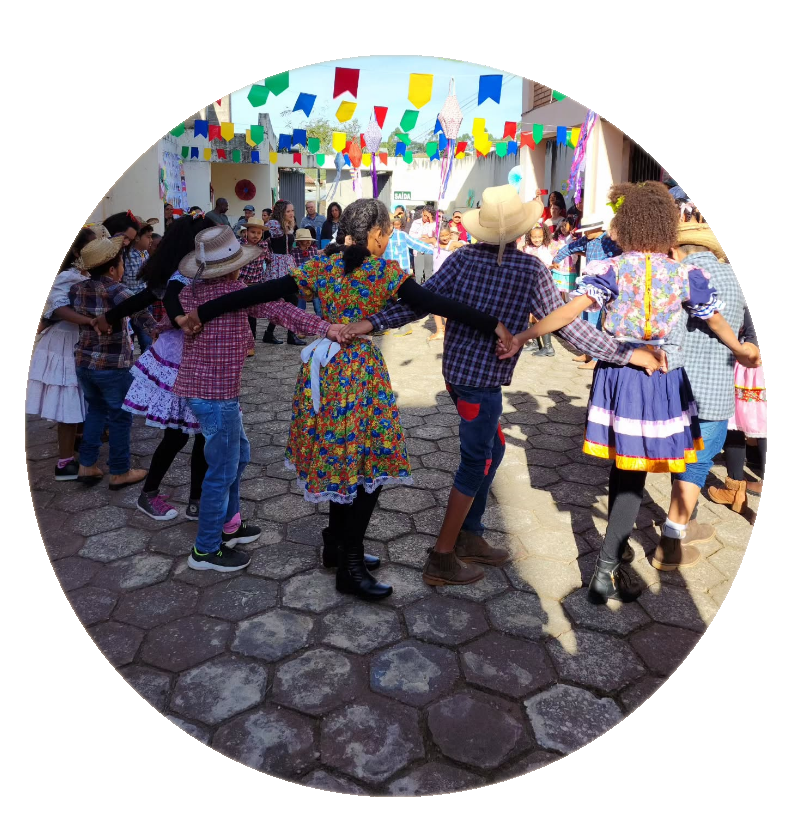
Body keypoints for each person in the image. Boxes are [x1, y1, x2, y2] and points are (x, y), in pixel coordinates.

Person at [186, 199, 513, 597]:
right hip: (359, 375)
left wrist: (203, 311)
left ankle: (336, 546)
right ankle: (351, 566)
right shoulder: (383, 272)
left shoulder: (321, 266)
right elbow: (438, 304)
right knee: (367, 466)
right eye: (386, 233)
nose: (387, 240)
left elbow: (259, 293)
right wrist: (493, 324)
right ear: (375, 234)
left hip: (324, 372)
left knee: (342, 461)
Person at [345, 185, 664, 588]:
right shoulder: (529, 269)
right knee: (477, 460)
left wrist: (371, 322)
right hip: (479, 385)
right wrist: (628, 354)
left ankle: (470, 534)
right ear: (521, 229)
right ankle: (442, 556)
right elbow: (568, 328)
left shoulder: (462, 259)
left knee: (492, 449)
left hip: (458, 377)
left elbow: (418, 302)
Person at [502, 182, 759, 603]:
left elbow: (567, 312)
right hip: (660, 379)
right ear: (666, 227)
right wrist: (741, 349)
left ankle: (613, 556)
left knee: (625, 467)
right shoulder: (685, 274)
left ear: (627, 224)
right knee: (631, 477)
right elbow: (714, 319)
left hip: (617, 377)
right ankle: (605, 570)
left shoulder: (612, 269)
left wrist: (523, 336)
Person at [173, 226, 342, 572]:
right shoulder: (235, 291)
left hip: (208, 393)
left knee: (238, 456)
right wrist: (327, 328)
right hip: (215, 396)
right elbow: (283, 312)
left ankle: (230, 525)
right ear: (232, 269)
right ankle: (205, 550)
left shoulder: (190, 293)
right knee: (221, 470)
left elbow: (165, 310)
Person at [69, 235, 153, 489]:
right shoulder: (118, 291)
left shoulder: (77, 289)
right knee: (120, 416)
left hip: (84, 363)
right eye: (122, 265)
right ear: (113, 269)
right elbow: (142, 316)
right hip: (112, 366)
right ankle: (119, 471)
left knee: (95, 410)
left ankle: (87, 464)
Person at [27, 228, 97, 480]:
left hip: (80, 341)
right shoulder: (67, 276)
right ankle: (64, 463)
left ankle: (77, 443)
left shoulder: (87, 274)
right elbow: (59, 309)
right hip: (66, 343)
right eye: (91, 246)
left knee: (80, 399)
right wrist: (89, 321)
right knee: (69, 401)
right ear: (77, 252)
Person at [709, 306, 766, 511]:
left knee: (735, 423)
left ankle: (734, 489)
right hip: (754, 364)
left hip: (747, 360)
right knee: (761, 423)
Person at [552, 211, 623, 369]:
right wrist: (556, 259)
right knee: (586, 319)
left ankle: (596, 359)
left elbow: (618, 258)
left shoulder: (608, 241)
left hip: (603, 285)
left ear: (598, 229)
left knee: (595, 321)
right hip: (589, 282)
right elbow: (570, 248)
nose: (585, 233)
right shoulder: (587, 240)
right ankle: (588, 353)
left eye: (587, 230)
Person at [263, 200, 303, 345]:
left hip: (287, 263)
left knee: (291, 299)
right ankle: (277, 334)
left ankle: (283, 334)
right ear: (281, 212)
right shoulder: (273, 224)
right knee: (283, 299)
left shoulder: (289, 224)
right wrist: (266, 255)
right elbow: (263, 239)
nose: (291, 214)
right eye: (288, 211)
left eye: (292, 211)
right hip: (277, 264)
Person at [516, 222, 558, 356]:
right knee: (530, 314)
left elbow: (554, 261)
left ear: (544, 236)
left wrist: (553, 264)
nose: (537, 239)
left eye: (539, 237)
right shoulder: (526, 248)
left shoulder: (548, 247)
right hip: (529, 284)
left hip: (542, 285)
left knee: (541, 314)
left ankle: (548, 346)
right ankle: (535, 342)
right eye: (534, 237)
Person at [237, 217, 272, 355]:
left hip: (256, 284)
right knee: (240, 314)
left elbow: (269, 260)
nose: (256, 236)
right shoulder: (239, 245)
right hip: (240, 284)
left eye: (259, 233)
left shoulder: (263, 246)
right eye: (253, 232)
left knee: (252, 315)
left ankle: (250, 344)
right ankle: (239, 342)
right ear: (246, 232)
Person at [428, 227, 468, 342]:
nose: (445, 238)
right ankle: (440, 330)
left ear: (450, 234)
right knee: (434, 306)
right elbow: (422, 239)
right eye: (442, 236)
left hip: (448, 279)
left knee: (446, 305)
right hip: (436, 278)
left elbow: (467, 247)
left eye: (447, 235)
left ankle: (449, 329)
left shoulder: (452, 244)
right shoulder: (435, 242)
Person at [122, 221, 155, 353]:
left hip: (144, 303)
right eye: (148, 237)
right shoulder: (126, 255)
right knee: (128, 340)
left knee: (147, 341)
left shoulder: (145, 253)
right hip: (128, 303)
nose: (151, 240)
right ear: (137, 238)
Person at [409, 205, 436, 283]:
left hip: (429, 250)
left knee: (428, 273)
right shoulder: (416, 222)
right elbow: (411, 235)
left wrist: (431, 221)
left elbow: (433, 237)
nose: (425, 218)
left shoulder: (434, 224)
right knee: (418, 273)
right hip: (418, 250)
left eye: (428, 216)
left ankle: (427, 288)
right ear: (422, 213)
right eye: (424, 215)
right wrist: (421, 236)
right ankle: (417, 288)